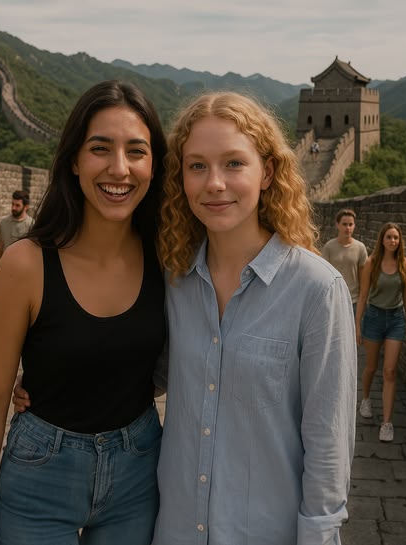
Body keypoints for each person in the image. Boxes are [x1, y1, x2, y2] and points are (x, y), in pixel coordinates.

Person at [0, 80, 168, 545]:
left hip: (138, 471)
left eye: (137, 151)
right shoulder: (27, 265)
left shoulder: (168, 259)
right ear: (75, 160)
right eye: (100, 148)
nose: (120, 168)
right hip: (41, 475)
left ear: (154, 165)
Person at [151, 91, 357, 545]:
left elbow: (328, 444)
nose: (215, 183)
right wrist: (57, 386)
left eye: (234, 163)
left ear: (267, 173)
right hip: (175, 530)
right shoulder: (175, 281)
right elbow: (151, 375)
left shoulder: (316, 290)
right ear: (180, 178)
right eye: (197, 165)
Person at [355, 222, 406, 442]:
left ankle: (387, 423)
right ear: (382, 240)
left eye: (396, 238)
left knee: (390, 371)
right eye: (389, 237)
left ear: (400, 242)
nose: (392, 241)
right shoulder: (371, 264)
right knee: (371, 367)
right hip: (374, 318)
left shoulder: (405, 265)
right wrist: (357, 324)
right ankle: (365, 398)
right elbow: (362, 295)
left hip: (396, 319)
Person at [321, 208, 368, 315]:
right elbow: (324, 276)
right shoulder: (329, 247)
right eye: (344, 224)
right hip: (334, 300)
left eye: (351, 224)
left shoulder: (360, 248)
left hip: (354, 301)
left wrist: (363, 302)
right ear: (337, 225)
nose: (348, 228)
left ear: (354, 226)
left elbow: (363, 278)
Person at [0, 190, 33, 264]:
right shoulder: (3, 223)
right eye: (12, 204)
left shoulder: (32, 225)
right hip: (6, 266)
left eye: (17, 205)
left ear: (26, 207)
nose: (13, 208)